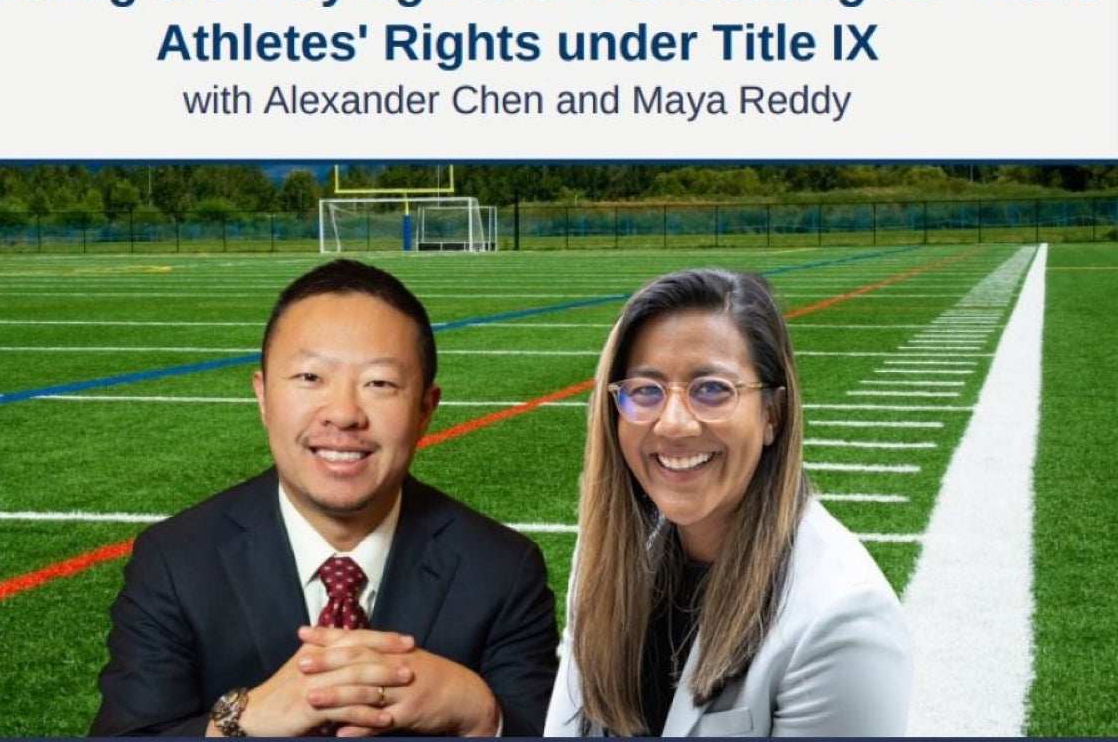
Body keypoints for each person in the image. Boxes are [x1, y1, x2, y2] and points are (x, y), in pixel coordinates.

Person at [91, 258, 559, 737]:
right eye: (310, 377)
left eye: (379, 383)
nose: (343, 413)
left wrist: (484, 714)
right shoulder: (175, 562)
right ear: (263, 397)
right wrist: (238, 722)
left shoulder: (502, 569)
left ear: (425, 409)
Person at [545, 268, 912, 737]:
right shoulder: (607, 557)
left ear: (772, 416)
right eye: (645, 391)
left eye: (713, 389)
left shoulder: (842, 621)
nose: (673, 424)